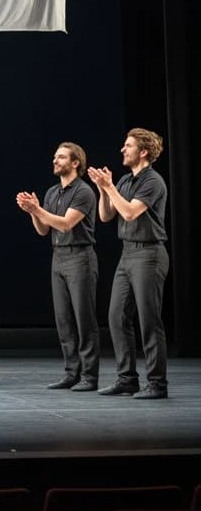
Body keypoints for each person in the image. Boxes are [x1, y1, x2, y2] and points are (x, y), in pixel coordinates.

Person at [88, 128, 169, 400]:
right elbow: (107, 215)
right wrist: (103, 189)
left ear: (143, 151)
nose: (123, 150)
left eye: (128, 146)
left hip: (149, 253)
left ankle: (157, 384)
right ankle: (127, 379)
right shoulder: (124, 180)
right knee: (116, 316)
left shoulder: (153, 181)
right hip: (128, 253)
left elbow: (131, 212)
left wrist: (110, 187)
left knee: (149, 320)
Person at [16, 142, 100, 392]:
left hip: (80, 257)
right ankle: (71, 372)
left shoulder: (83, 191)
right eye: (55, 156)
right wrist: (32, 212)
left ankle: (89, 376)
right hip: (59, 257)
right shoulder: (53, 192)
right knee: (64, 320)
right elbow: (44, 230)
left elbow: (65, 224)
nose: (55, 160)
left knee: (83, 319)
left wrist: (37, 208)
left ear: (75, 163)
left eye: (61, 157)